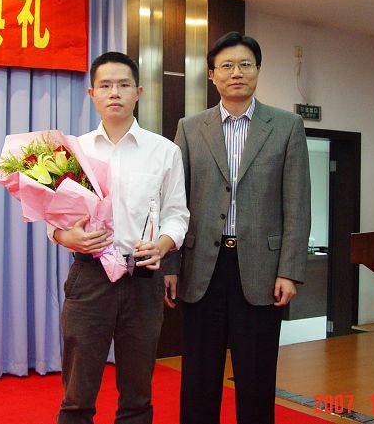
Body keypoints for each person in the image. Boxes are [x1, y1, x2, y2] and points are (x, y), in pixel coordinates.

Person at [172, 31, 311, 424]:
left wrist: (289, 270)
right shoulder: (190, 128)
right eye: (227, 66)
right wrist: (171, 267)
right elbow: (174, 203)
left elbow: (297, 205)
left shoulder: (287, 126)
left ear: (258, 70)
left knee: (257, 378)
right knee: (198, 378)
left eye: (245, 64)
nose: (237, 72)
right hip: (202, 268)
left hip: (262, 271)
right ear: (212, 75)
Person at [48, 51, 189, 424]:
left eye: (124, 85)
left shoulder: (165, 151)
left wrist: (162, 245)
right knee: (77, 392)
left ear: (138, 92)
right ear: (91, 93)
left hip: (142, 277)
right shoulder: (72, 150)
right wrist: (68, 236)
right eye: (106, 85)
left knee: (137, 392)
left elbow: (177, 214)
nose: (115, 93)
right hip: (89, 276)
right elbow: (54, 219)